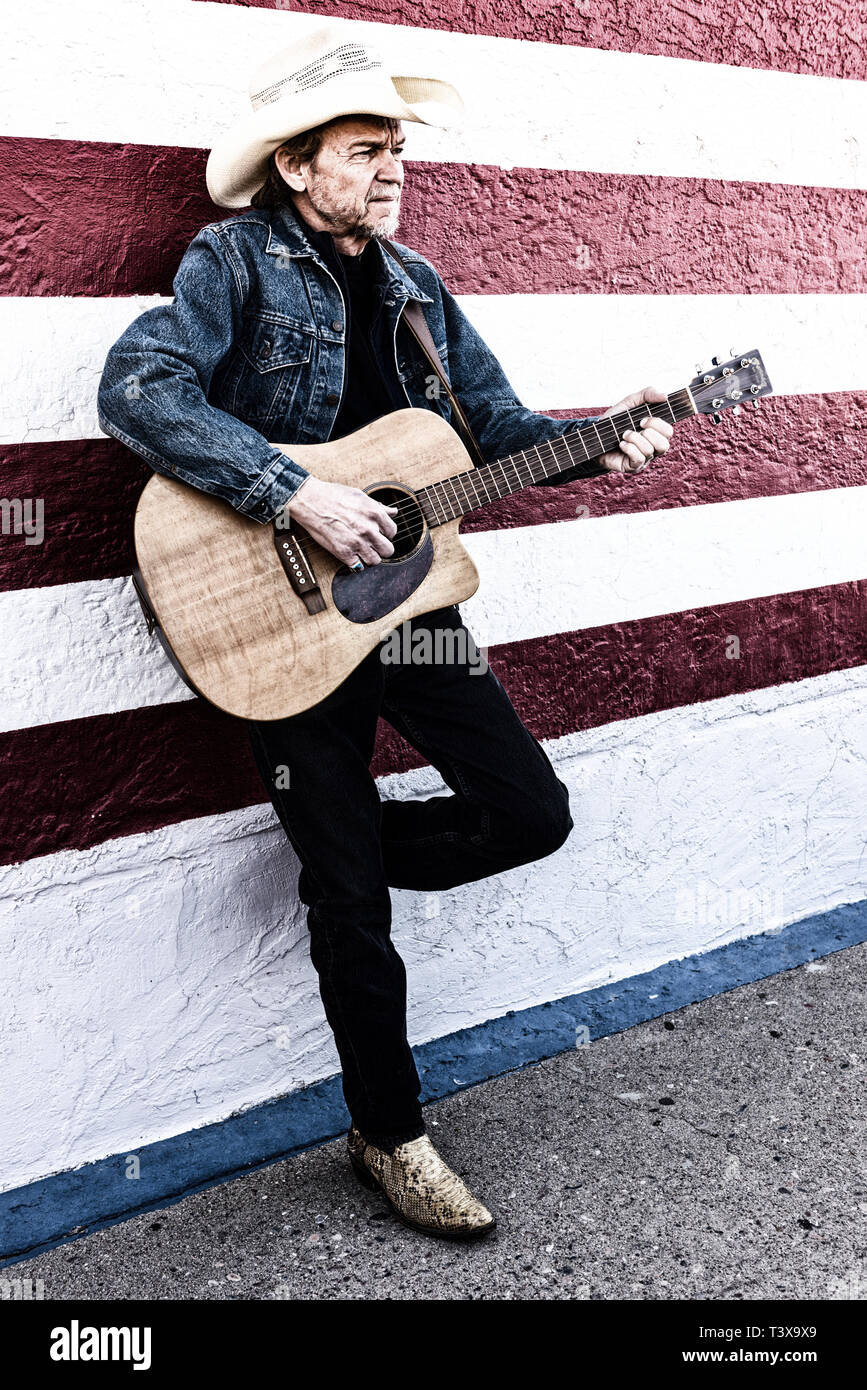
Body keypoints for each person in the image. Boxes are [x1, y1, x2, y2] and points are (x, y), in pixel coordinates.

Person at [97, 23, 674, 1240]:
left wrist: (601, 436)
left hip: (406, 616)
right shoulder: (235, 261)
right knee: (352, 909)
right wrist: (292, 491)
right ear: (298, 166)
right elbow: (138, 388)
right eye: (366, 148)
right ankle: (390, 1130)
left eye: (396, 148)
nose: (392, 167)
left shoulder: (416, 287)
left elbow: (499, 430)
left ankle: (341, 843)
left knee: (529, 810)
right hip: (282, 625)